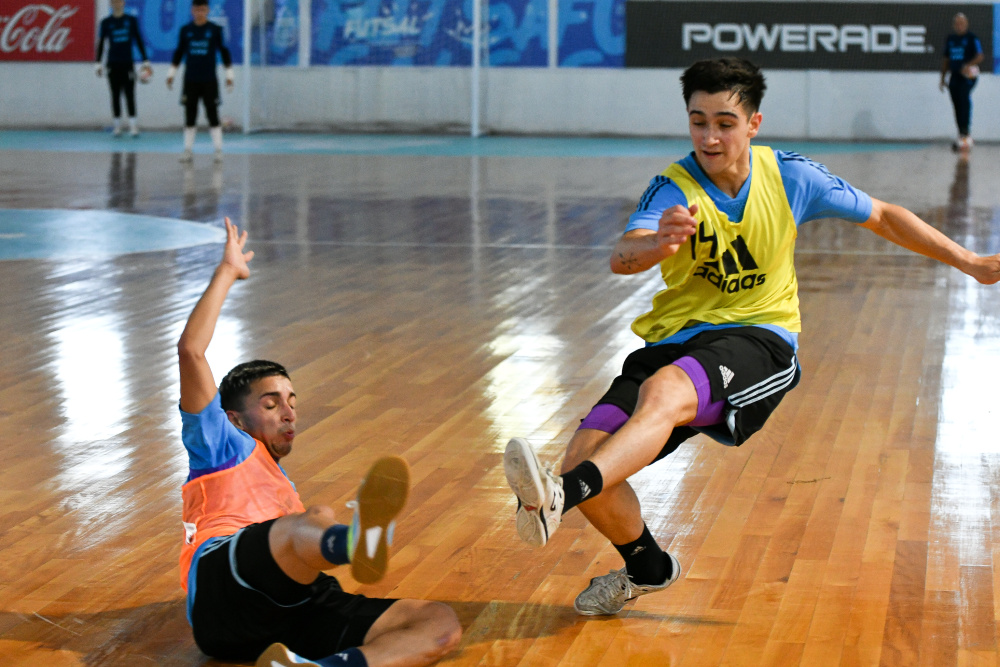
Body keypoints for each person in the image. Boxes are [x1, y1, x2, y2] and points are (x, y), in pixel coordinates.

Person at [503, 57, 1000, 617]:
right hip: (677, 339)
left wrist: (971, 261)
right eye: (698, 121)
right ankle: (647, 567)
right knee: (583, 456)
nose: (710, 136)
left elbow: (883, 216)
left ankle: (560, 498)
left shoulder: (791, 177)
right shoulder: (673, 187)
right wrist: (658, 246)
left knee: (660, 397)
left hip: (759, 337)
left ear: (753, 124)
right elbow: (622, 256)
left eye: (724, 122)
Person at [178, 217, 462, 666]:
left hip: (290, 605)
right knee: (311, 520)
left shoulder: (279, 481)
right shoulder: (222, 446)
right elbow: (191, 350)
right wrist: (228, 272)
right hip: (224, 595)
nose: (288, 412)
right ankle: (354, 542)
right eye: (270, 404)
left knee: (438, 623)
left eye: (292, 401)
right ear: (232, 419)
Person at [166, 0, 234, 163]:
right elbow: (179, 52)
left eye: (203, 9)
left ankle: (218, 151)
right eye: (196, 9)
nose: (199, 13)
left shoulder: (215, 30)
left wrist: (229, 76)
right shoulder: (186, 30)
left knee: (212, 114)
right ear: (192, 11)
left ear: (208, 10)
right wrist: (171, 74)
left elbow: (224, 52)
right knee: (190, 115)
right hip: (190, 80)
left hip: (209, 80)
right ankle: (188, 151)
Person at [95, 0, 151, 138]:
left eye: (119, 1)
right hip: (112, 64)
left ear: (124, 3)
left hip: (127, 63)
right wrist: (98, 63)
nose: (117, 3)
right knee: (115, 95)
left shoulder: (131, 20)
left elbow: (138, 39)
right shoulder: (106, 22)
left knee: (130, 94)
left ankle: (133, 126)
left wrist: (145, 60)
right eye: (114, 1)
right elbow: (101, 43)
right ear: (110, 4)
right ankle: (117, 126)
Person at [939, 12, 984, 152]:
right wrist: (942, 78)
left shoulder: (972, 38)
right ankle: (961, 134)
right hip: (954, 76)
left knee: (964, 99)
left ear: (966, 24)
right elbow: (946, 59)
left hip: (968, 75)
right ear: (954, 25)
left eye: (962, 23)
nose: (959, 26)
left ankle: (966, 132)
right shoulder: (950, 39)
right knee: (956, 103)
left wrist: (968, 65)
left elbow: (980, 56)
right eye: (957, 24)